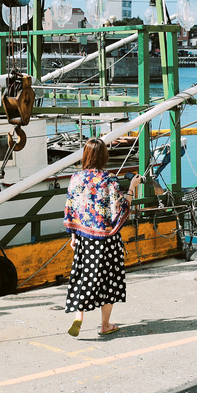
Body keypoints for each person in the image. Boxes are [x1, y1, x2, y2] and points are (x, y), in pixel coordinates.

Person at [63, 138, 142, 337]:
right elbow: (120, 208)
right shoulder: (109, 179)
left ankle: (79, 316)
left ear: (85, 155)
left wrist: (73, 235)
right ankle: (105, 325)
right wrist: (132, 187)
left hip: (84, 237)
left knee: (84, 275)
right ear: (105, 156)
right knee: (109, 280)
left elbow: (71, 208)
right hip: (107, 239)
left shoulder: (76, 178)